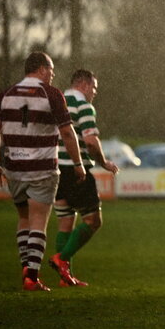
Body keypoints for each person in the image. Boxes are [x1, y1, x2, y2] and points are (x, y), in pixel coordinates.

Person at [0, 51, 85, 291]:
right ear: (41, 69)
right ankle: (31, 276)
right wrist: (78, 163)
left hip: (14, 169)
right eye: (50, 70)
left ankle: (26, 266)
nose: (52, 75)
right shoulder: (51, 94)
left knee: (23, 218)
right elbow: (68, 133)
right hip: (42, 169)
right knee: (38, 221)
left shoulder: (6, 94)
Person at [50, 69, 119, 287]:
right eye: (94, 88)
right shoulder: (84, 107)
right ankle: (61, 259)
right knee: (93, 220)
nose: (94, 93)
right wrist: (104, 163)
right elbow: (90, 141)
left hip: (56, 170)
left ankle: (65, 277)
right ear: (85, 84)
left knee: (65, 223)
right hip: (75, 170)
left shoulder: (57, 103)